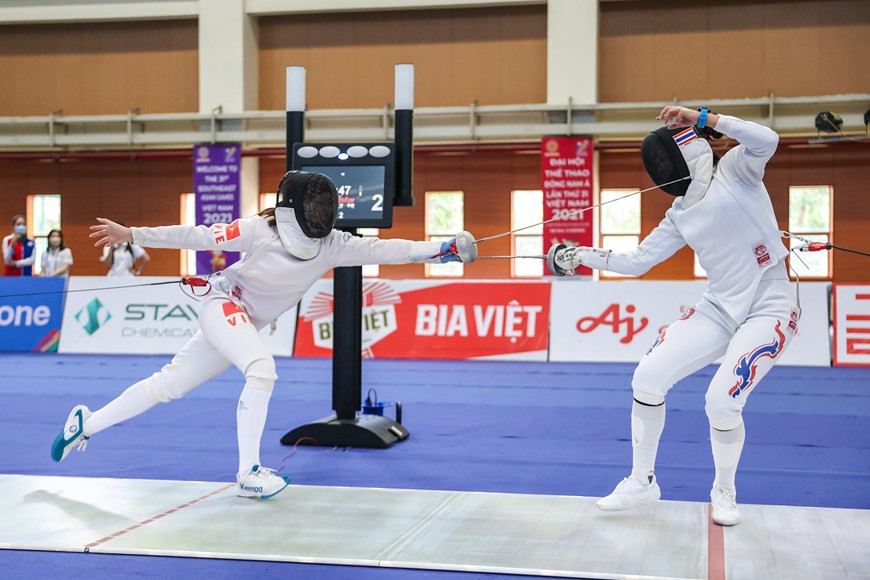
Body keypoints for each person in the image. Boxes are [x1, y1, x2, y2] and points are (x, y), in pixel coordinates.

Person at [51, 171, 466, 499]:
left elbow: (387, 250)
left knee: (168, 386)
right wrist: (135, 234)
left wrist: (442, 250)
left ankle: (86, 424)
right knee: (262, 370)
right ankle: (248, 473)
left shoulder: (332, 245)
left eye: (325, 207)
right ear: (293, 209)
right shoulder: (257, 230)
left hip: (244, 322)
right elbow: (197, 234)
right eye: (314, 207)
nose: (320, 215)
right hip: (223, 304)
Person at [549, 106, 796, 526]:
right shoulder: (680, 213)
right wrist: (581, 256)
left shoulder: (737, 169)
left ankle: (725, 491)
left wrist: (706, 116)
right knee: (647, 376)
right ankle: (642, 481)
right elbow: (638, 261)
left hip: (769, 306)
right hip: (719, 306)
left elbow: (768, 139)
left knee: (720, 401)